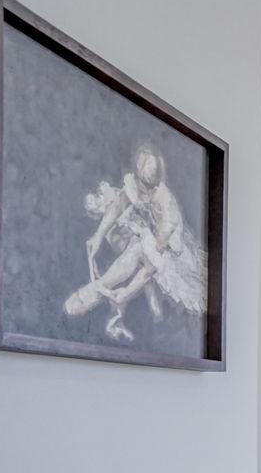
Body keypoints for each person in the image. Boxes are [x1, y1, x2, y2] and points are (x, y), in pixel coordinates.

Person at [64, 143, 207, 342]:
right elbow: (119, 204)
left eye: (143, 189)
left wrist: (127, 292)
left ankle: (96, 289)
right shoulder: (137, 187)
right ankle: (102, 286)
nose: (138, 192)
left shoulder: (169, 216)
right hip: (147, 225)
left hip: (168, 249)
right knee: (117, 227)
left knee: (139, 248)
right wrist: (97, 236)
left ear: (154, 187)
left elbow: (151, 266)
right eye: (138, 185)